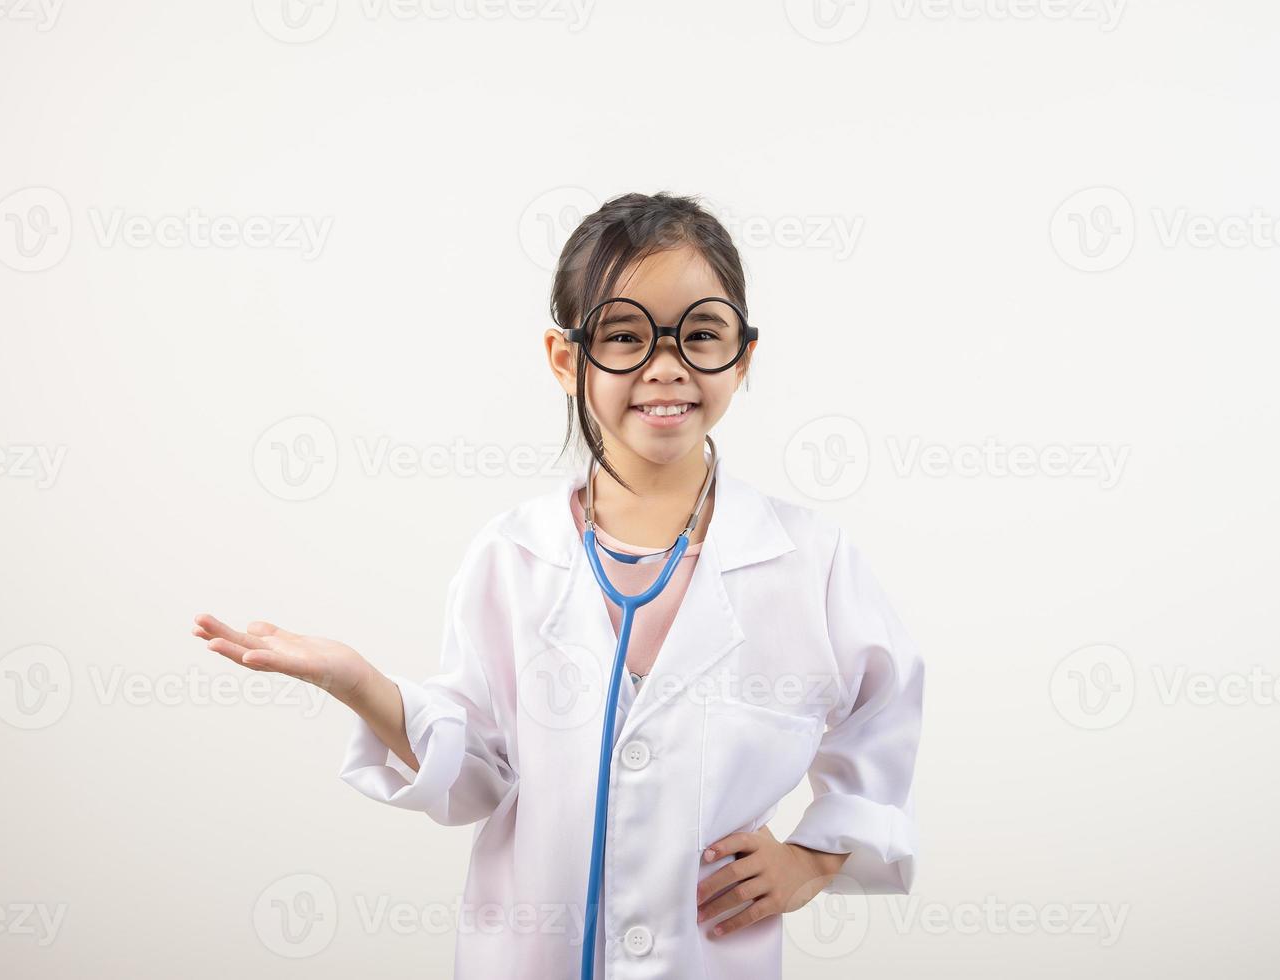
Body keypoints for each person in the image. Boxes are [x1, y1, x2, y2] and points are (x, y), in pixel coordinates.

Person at [193, 191, 924, 978]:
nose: (666, 365)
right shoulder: (513, 557)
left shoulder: (808, 561)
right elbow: (475, 771)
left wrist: (814, 859)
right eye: (624, 336)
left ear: (742, 356)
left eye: (701, 334)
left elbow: (882, 716)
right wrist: (361, 683)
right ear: (566, 359)